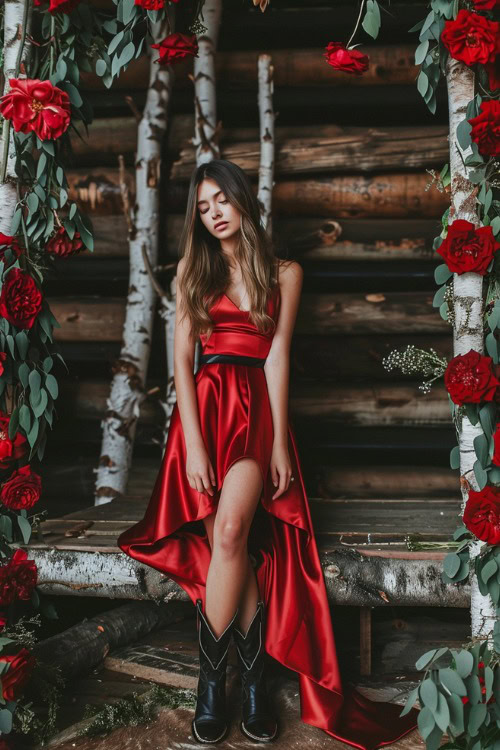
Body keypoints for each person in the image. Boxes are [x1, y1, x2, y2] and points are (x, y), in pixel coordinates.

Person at [117, 159, 419, 748]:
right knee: (229, 548)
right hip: (203, 414)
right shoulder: (191, 271)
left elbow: (276, 355)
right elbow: (180, 363)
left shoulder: (285, 273)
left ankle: (211, 685)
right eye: (202, 209)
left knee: (230, 534)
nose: (214, 215)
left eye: (220, 201)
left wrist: (279, 439)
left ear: (240, 199)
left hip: (254, 412)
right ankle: (246, 685)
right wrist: (194, 445)